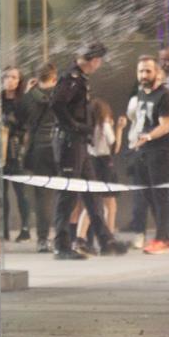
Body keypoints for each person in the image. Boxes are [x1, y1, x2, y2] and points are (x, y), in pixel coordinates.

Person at [51, 44, 119, 259]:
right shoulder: (71, 78)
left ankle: (105, 239)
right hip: (70, 143)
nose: (98, 65)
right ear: (91, 60)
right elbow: (57, 104)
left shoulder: (79, 79)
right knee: (68, 195)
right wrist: (75, 126)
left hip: (79, 143)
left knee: (92, 191)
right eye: (97, 60)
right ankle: (61, 246)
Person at [122, 55, 169, 254]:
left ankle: (162, 239)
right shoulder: (141, 94)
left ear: (157, 73)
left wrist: (148, 137)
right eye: (141, 71)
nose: (144, 75)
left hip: (161, 151)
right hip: (143, 152)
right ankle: (165, 237)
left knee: (160, 195)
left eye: (148, 71)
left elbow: (165, 126)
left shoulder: (165, 96)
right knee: (148, 195)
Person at [1, 65, 45, 245]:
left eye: (13, 77)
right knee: (0, 194)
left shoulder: (22, 101)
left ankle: (25, 229)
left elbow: (27, 124)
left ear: (19, 81)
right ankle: (3, 230)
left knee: (21, 192)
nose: (9, 80)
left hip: (15, 151)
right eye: (6, 76)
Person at [76, 99, 126, 254]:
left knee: (92, 204)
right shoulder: (104, 124)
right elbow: (114, 146)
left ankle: (80, 237)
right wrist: (119, 128)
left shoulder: (87, 126)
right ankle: (108, 237)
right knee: (109, 204)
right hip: (104, 164)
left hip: (90, 162)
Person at [20, 64, 59, 253]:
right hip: (60, 149)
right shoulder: (61, 94)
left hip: (38, 150)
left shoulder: (28, 98)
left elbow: (19, 120)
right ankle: (64, 236)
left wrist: (29, 91)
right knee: (66, 193)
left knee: (42, 197)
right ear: (54, 78)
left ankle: (43, 239)